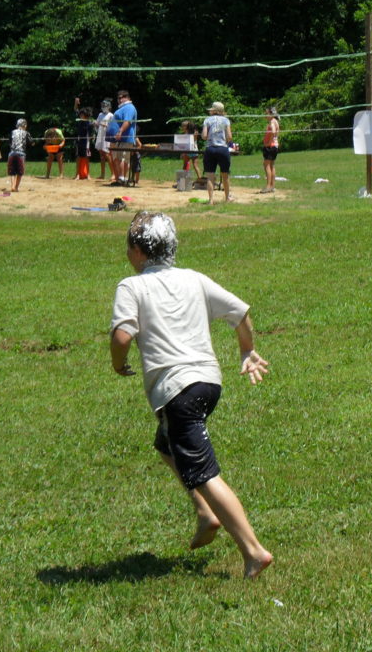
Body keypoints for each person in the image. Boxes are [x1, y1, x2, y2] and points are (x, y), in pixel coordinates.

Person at [109, 211, 273, 579]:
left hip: (177, 391)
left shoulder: (132, 287)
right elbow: (239, 312)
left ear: (137, 251)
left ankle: (253, 551)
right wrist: (246, 350)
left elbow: (121, 336)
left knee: (203, 472)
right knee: (167, 446)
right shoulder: (193, 279)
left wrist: (118, 363)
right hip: (207, 384)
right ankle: (205, 513)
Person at [201, 101, 233, 203]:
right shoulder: (226, 120)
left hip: (210, 149)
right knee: (225, 175)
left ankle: (210, 200)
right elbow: (229, 137)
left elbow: (204, 136)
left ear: (214, 110)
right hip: (222, 149)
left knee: (210, 176)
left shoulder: (207, 120)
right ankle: (227, 198)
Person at [112, 90, 141, 186]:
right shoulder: (122, 108)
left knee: (123, 158)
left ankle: (123, 179)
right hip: (117, 139)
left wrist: (120, 131)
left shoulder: (129, 107)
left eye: (121, 97)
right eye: (118, 98)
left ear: (127, 98)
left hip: (126, 138)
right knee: (116, 158)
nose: (119, 100)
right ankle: (119, 179)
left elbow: (127, 121)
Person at [7, 118, 31, 192]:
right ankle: (16, 187)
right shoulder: (26, 133)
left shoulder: (12, 132)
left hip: (12, 153)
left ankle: (12, 186)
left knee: (12, 171)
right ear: (24, 125)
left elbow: (10, 142)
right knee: (20, 172)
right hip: (21, 154)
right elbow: (31, 142)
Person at [259, 107, 280, 193]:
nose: (265, 115)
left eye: (266, 113)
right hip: (275, 145)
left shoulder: (272, 122)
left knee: (266, 165)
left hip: (270, 146)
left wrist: (268, 143)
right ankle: (272, 186)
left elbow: (273, 132)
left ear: (271, 114)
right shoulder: (276, 121)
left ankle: (268, 186)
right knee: (272, 166)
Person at [95, 99, 116, 182]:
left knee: (108, 155)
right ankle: (102, 174)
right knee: (101, 156)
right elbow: (97, 124)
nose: (104, 107)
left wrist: (105, 125)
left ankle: (113, 174)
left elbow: (113, 127)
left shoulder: (111, 115)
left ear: (109, 107)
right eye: (103, 105)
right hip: (100, 135)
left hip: (107, 136)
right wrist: (95, 124)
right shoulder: (100, 114)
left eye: (105, 106)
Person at [73, 99, 93, 180]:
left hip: (86, 143)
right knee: (78, 157)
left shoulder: (89, 123)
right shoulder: (79, 121)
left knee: (87, 158)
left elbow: (91, 135)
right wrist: (76, 103)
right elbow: (75, 109)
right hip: (79, 142)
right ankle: (77, 174)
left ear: (86, 115)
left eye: (82, 115)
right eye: (80, 115)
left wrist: (91, 137)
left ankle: (88, 174)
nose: (80, 116)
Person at [178, 119, 202, 184]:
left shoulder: (188, 134)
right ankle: (199, 179)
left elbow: (186, 143)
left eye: (183, 126)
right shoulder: (194, 132)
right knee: (193, 165)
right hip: (193, 150)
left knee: (188, 165)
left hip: (189, 151)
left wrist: (183, 152)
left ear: (186, 127)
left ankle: (183, 181)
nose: (182, 127)